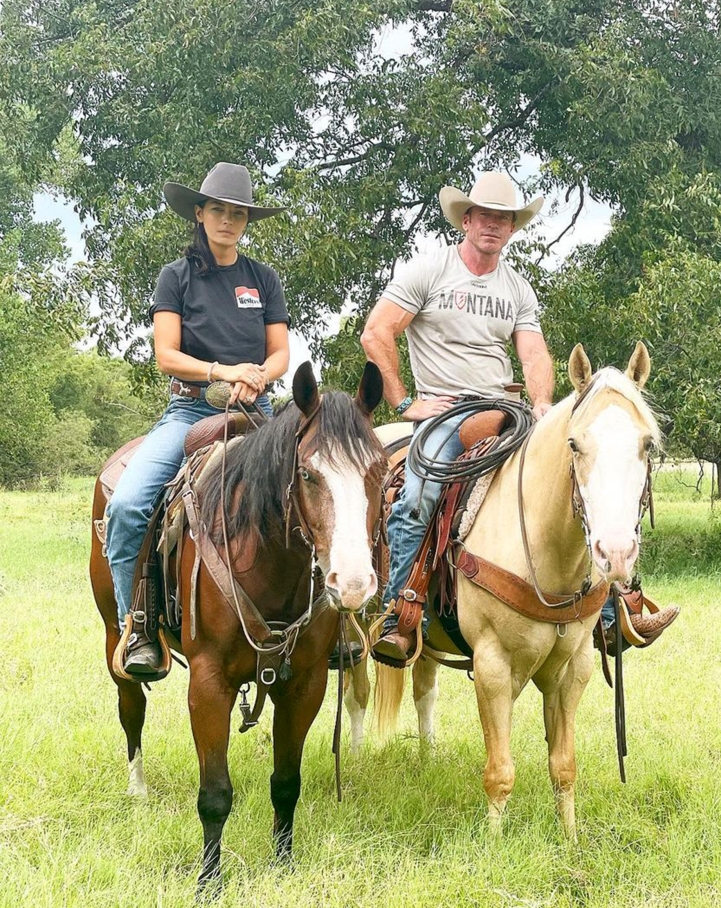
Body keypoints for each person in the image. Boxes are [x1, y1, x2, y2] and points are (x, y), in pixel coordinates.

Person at [361, 171, 678, 666]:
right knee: (419, 494)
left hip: (503, 408)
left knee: (575, 476)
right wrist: (405, 404)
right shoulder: (427, 271)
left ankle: (615, 609)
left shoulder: (517, 287)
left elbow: (533, 355)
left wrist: (541, 405)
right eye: (484, 215)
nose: (493, 225)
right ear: (466, 220)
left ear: (512, 228)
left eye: (503, 218)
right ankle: (401, 613)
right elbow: (377, 333)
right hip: (444, 412)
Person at [105, 162, 290, 677]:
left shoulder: (263, 278)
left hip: (259, 411)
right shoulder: (176, 277)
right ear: (201, 214)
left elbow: (280, 354)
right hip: (191, 410)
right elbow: (166, 354)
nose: (228, 221)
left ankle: (331, 626)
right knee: (127, 505)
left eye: (238, 213)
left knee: (318, 494)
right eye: (219, 211)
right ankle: (137, 625)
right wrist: (222, 371)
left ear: (246, 220)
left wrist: (257, 377)